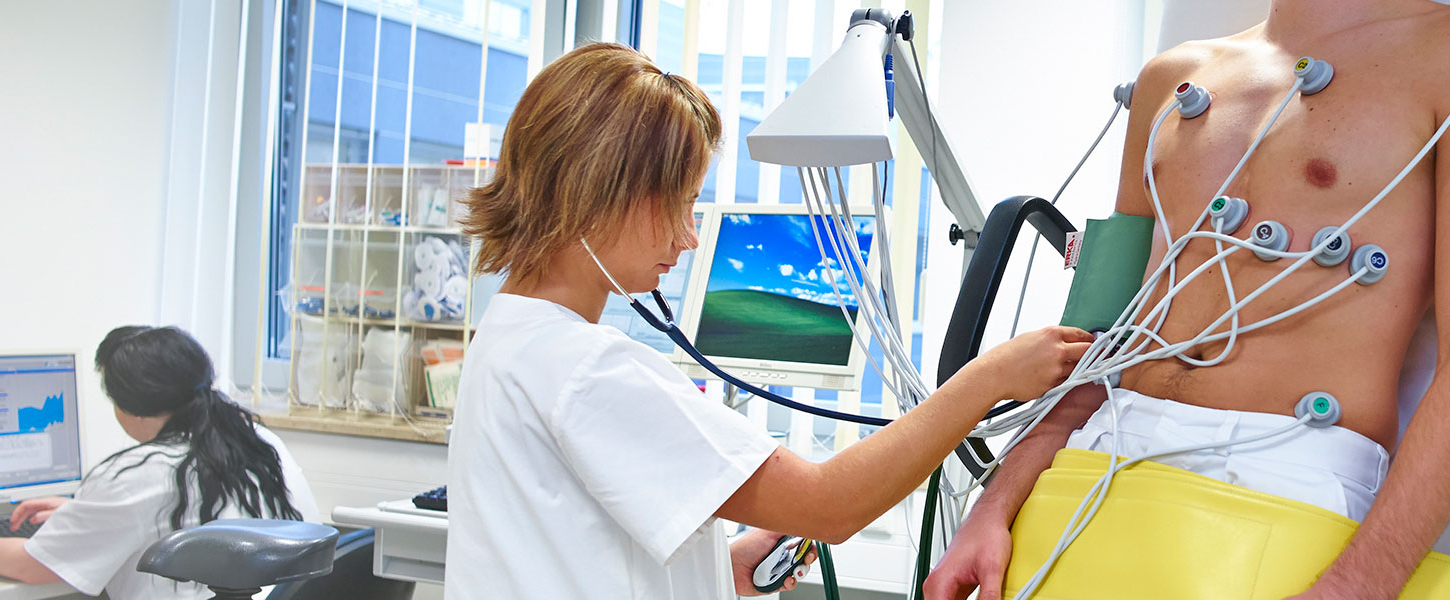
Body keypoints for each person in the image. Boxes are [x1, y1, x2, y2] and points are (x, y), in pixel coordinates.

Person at [926, 1, 1450, 598]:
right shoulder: (1171, 79)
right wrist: (992, 509)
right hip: (1098, 455)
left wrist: (1359, 585)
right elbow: (1101, 340)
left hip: (1285, 474)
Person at [443, 42, 1093, 599]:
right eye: (681, 203)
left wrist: (719, 568)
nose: (689, 236)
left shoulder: (509, 340)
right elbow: (828, 505)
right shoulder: (587, 368)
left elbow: (568, 549)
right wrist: (990, 376)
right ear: (603, 190)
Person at [0, 326, 321, 600]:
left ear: (129, 407)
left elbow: (32, 566)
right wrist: (87, 514)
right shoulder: (256, 439)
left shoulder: (142, 474)